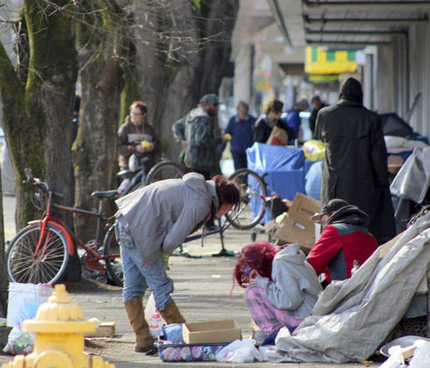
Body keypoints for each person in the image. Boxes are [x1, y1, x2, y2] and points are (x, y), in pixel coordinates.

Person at [115, 173, 240, 352]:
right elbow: (173, 239)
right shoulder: (201, 202)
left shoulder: (198, 189)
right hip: (140, 230)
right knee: (161, 285)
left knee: (133, 286)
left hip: (126, 219)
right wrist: (163, 254)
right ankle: (183, 338)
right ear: (226, 203)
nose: (227, 212)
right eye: (229, 209)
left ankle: (143, 339)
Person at [315, 77, 396, 244]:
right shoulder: (371, 118)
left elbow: (320, 139)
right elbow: (378, 155)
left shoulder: (324, 115)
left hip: (334, 186)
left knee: (334, 227)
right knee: (364, 229)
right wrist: (382, 181)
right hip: (364, 185)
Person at [233, 242, 322, 339]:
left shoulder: (281, 263)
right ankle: (276, 335)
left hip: (305, 321)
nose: (250, 275)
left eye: (248, 270)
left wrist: (262, 282)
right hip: (312, 316)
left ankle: (274, 336)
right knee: (257, 288)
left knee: (252, 292)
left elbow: (289, 302)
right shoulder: (288, 259)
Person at [308, 199, 378, 287]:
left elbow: (312, 264)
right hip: (368, 290)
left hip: (342, 292)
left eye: (324, 220)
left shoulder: (334, 230)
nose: (325, 225)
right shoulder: (369, 236)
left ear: (333, 213)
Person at [173, 94, 224, 179]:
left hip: (189, 159)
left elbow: (176, 126)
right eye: (215, 105)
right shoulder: (205, 119)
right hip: (202, 162)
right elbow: (201, 140)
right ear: (205, 105)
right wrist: (219, 140)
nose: (216, 108)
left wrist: (182, 140)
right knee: (202, 189)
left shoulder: (192, 115)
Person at [118, 101, 161, 171]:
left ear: (143, 115)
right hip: (128, 167)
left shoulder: (149, 128)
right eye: (132, 113)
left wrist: (152, 147)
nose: (133, 116)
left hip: (148, 167)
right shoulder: (125, 128)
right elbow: (119, 148)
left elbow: (158, 146)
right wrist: (134, 148)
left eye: (136, 114)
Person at [224, 101, 256, 170]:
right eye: (240, 109)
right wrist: (229, 140)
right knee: (238, 169)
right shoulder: (232, 120)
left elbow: (255, 134)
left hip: (248, 149)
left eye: (244, 109)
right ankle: (238, 180)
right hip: (236, 149)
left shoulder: (252, 120)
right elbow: (228, 133)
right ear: (238, 110)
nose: (242, 111)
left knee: (247, 168)